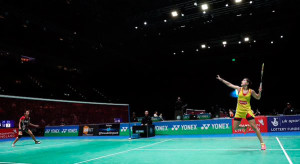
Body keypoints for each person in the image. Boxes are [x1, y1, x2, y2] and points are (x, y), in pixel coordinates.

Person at [216, 75, 266, 150]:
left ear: (247, 83)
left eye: (243, 80)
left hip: (247, 111)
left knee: (254, 127)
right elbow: (229, 84)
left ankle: (262, 144)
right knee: (235, 127)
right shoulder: (239, 89)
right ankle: (244, 127)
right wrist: (221, 79)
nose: (241, 81)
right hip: (239, 111)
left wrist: (260, 92)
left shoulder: (251, 91)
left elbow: (258, 97)